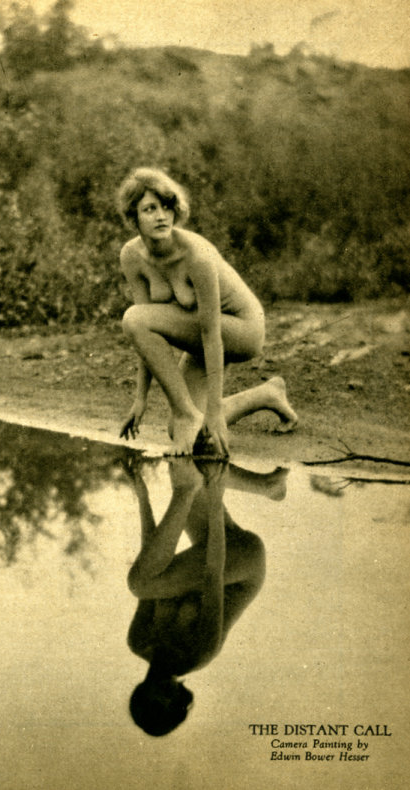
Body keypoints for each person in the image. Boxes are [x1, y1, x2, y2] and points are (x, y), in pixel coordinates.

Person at [116, 167, 298, 456]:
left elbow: (210, 333)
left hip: (243, 329)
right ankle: (267, 394)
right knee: (179, 430)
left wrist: (214, 412)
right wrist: (140, 400)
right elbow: (144, 339)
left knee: (134, 318)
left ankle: (187, 415)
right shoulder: (131, 256)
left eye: (167, 207)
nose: (161, 216)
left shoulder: (196, 256)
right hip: (201, 331)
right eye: (149, 209)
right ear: (133, 216)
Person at [124, 457, 269, 736]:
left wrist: (142, 497)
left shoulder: (139, 640)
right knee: (139, 584)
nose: (160, 693)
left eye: (151, 701)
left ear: (140, 694)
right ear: (177, 701)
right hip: (244, 566)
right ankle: (191, 489)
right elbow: (213, 575)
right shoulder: (199, 653)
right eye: (167, 702)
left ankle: (269, 486)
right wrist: (215, 501)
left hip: (213, 554)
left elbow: (152, 561)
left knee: (187, 465)